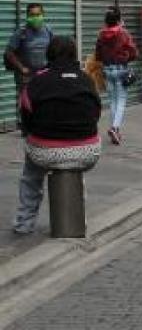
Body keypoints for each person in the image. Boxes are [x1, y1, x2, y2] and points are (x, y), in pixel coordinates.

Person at [13, 36, 101, 234]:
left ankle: (24, 223)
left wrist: (32, 134)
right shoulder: (87, 79)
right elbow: (95, 113)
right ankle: (80, 219)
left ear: (48, 54)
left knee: (30, 176)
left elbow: (26, 115)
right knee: (74, 167)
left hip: (45, 153)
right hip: (87, 153)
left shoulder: (37, 81)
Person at [4, 3, 53, 133]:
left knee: (42, 98)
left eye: (38, 14)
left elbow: (53, 49)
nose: (35, 17)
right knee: (25, 99)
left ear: (43, 15)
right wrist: (21, 68)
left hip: (43, 71)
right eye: (32, 15)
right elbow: (9, 52)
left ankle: (38, 124)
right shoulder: (21, 32)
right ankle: (24, 126)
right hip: (25, 74)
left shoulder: (48, 30)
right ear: (27, 16)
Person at [95, 7, 138, 145]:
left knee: (113, 101)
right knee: (121, 101)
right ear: (119, 20)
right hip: (121, 70)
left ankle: (116, 130)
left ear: (106, 21)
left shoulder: (101, 35)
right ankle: (114, 128)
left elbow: (98, 54)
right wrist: (127, 58)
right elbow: (133, 51)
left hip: (107, 70)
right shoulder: (123, 33)